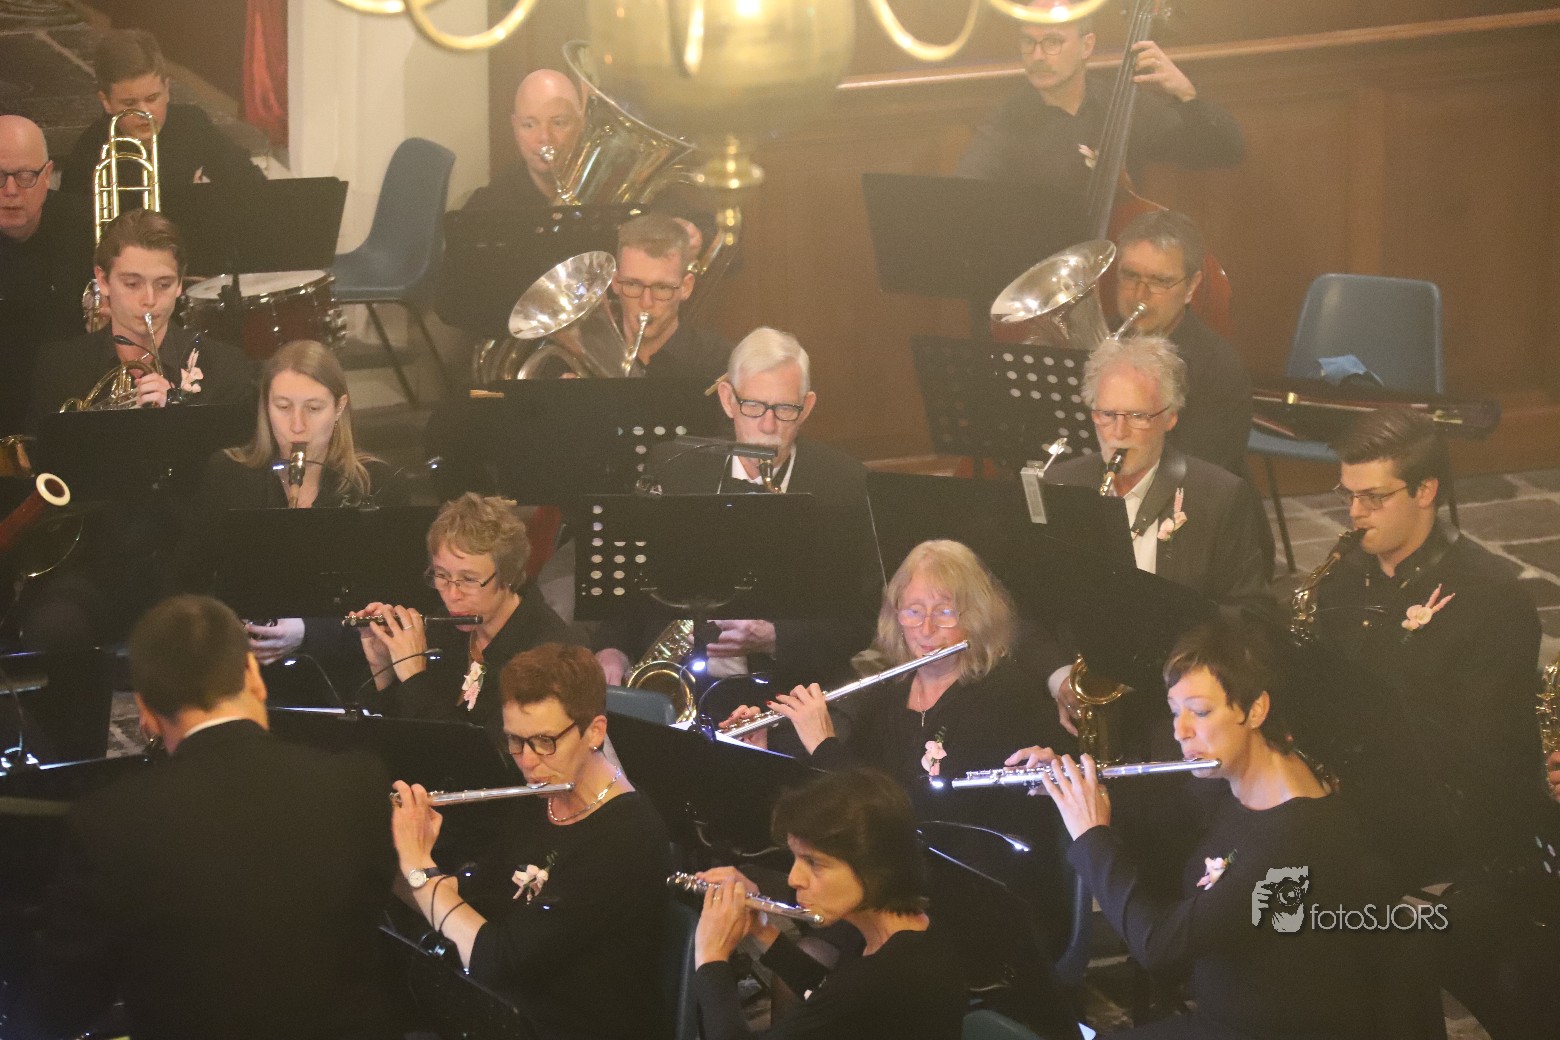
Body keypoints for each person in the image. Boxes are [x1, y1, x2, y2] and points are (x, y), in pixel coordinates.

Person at [1022, 617, 1436, 1039]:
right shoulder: (1237, 782)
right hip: (1225, 1021)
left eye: (1200, 712)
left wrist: (1091, 835)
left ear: (1255, 709)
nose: (1180, 731)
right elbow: (1160, 820)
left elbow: (1159, 945)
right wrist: (1072, 785)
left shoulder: (1296, 839)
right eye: (1174, 712)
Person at [35, 594, 398, 1040]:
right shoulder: (357, 784)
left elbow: (58, 1008)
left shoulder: (108, 822)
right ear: (254, 677)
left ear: (145, 711)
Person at [1312, 408, 1557, 1040]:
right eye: (1348, 495)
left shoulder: (1490, 597)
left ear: (1425, 491)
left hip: (1453, 828)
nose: (1355, 514)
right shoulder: (1339, 581)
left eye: (1374, 497)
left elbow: (1487, 756)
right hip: (1361, 805)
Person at [390, 642, 672, 1040]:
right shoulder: (541, 798)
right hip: (508, 1011)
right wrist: (389, 854)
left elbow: (496, 960)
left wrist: (419, 869)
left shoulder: (626, 836)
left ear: (594, 731)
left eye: (544, 741)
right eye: (515, 741)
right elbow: (475, 900)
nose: (527, 760)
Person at [594, 328, 880, 692]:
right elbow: (631, 581)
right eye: (753, 406)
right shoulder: (673, 466)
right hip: (675, 680)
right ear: (728, 399)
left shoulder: (843, 483)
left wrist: (776, 637)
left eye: (785, 409)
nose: (768, 425)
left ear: (806, 407)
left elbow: (862, 617)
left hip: (789, 689)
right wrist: (613, 648)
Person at [724, 539, 1054, 792]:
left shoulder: (1004, 696)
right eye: (913, 611)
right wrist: (765, 754)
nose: (926, 628)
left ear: (976, 617)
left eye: (944, 612)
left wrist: (824, 744)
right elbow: (840, 805)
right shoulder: (887, 695)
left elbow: (909, 810)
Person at [691, 767, 965, 1039]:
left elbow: (841, 999)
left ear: (874, 865)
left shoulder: (882, 979)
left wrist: (711, 957)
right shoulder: (902, 935)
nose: (794, 879)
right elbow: (825, 994)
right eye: (795, 858)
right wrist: (762, 930)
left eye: (813, 862)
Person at [181, 340, 396, 674]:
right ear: (265, 406)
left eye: (313, 408)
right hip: (239, 667)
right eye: (282, 407)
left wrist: (311, 632)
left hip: (342, 670)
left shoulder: (376, 483)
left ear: (339, 408)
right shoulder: (227, 474)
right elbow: (188, 582)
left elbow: (390, 607)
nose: (297, 425)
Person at [354, 493, 584, 736]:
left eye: (469, 579)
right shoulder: (444, 630)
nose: (452, 594)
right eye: (442, 575)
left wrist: (415, 677)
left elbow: (483, 751)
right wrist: (384, 668)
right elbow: (401, 738)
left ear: (507, 576)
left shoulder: (549, 656)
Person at [956, 8, 1243, 193]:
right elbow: (967, 191)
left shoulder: (1122, 104)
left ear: (1087, 46)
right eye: (1028, 42)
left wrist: (1187, 95)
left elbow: (1225, 151)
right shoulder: (1007, 120)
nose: (1038, 55)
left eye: (1052, 42)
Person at [30, 207, 253, 421]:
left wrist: (178, 415)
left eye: (164, 284)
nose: (149, 299)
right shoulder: (60, 368)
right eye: (132, 284)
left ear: (179, 284)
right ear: (103, 280)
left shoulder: (225, 368)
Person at [1114, 210, 1251, 476]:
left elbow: (1198, 475)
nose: (1140, 294)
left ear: (1191, 287)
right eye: (1130, 276)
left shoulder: (1220, 368)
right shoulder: (1097, 342)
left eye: (1160, 281)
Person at [61, 29, 265, 196]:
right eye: (130, 103)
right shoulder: (89, 153)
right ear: (106, 102)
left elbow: (254, 185)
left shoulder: (192, 124)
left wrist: (209, 197)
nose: (144, 112)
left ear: (166, 90)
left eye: (152, 98)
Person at [0, 115, 94, 435]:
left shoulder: (87, 226)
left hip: (71, 404)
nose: (10, 190)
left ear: (47, 175)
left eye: (25, 176)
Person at [610, 211, 730, 383]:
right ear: (615, 282)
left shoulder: (718, 362)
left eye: (661, 287)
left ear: (686, 287)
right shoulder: (586, 356)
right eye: (633, 285)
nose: (646, 302)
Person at [459, 69, 582, 211]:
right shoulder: (488, 205)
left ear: (580, 124)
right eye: (529, 125)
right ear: (515, 127)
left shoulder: (601, 195)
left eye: (558, 123)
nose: (545, 137)